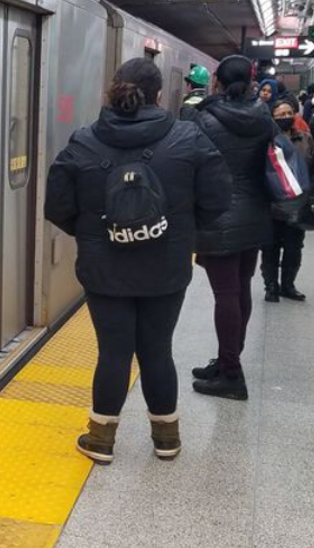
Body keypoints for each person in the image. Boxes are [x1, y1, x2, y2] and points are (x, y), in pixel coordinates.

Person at [46, 58, 230, 464]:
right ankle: (167, 439)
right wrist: (179, 230)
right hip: (166, 266)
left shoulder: (84, 140)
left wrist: (96, 234)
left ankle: (101, 442)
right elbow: (219, 200)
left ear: (113, 90)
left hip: (104, 267)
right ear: (159, 95)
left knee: (113, 351)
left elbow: (57, 204)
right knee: (157, 350)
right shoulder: (188, 137)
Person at [189, 55, 278, 401]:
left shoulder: (203, 119)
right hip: (255, 213)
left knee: (225, 295)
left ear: (217, 82)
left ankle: (230, 374)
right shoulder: (263, 116)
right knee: (240, 288)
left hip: (218, 215)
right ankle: (229, 360)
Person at [260, 98, 314, 303]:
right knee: (271, 246)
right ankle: (271, 286)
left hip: (299, 204)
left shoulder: (305, 139)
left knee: (294, 247)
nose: (285, 117)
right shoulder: (266, 140)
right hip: (273, 205)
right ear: (272, 117)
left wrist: (310, 191)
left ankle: (288, 285)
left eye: (289, 113)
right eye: (280, 114)